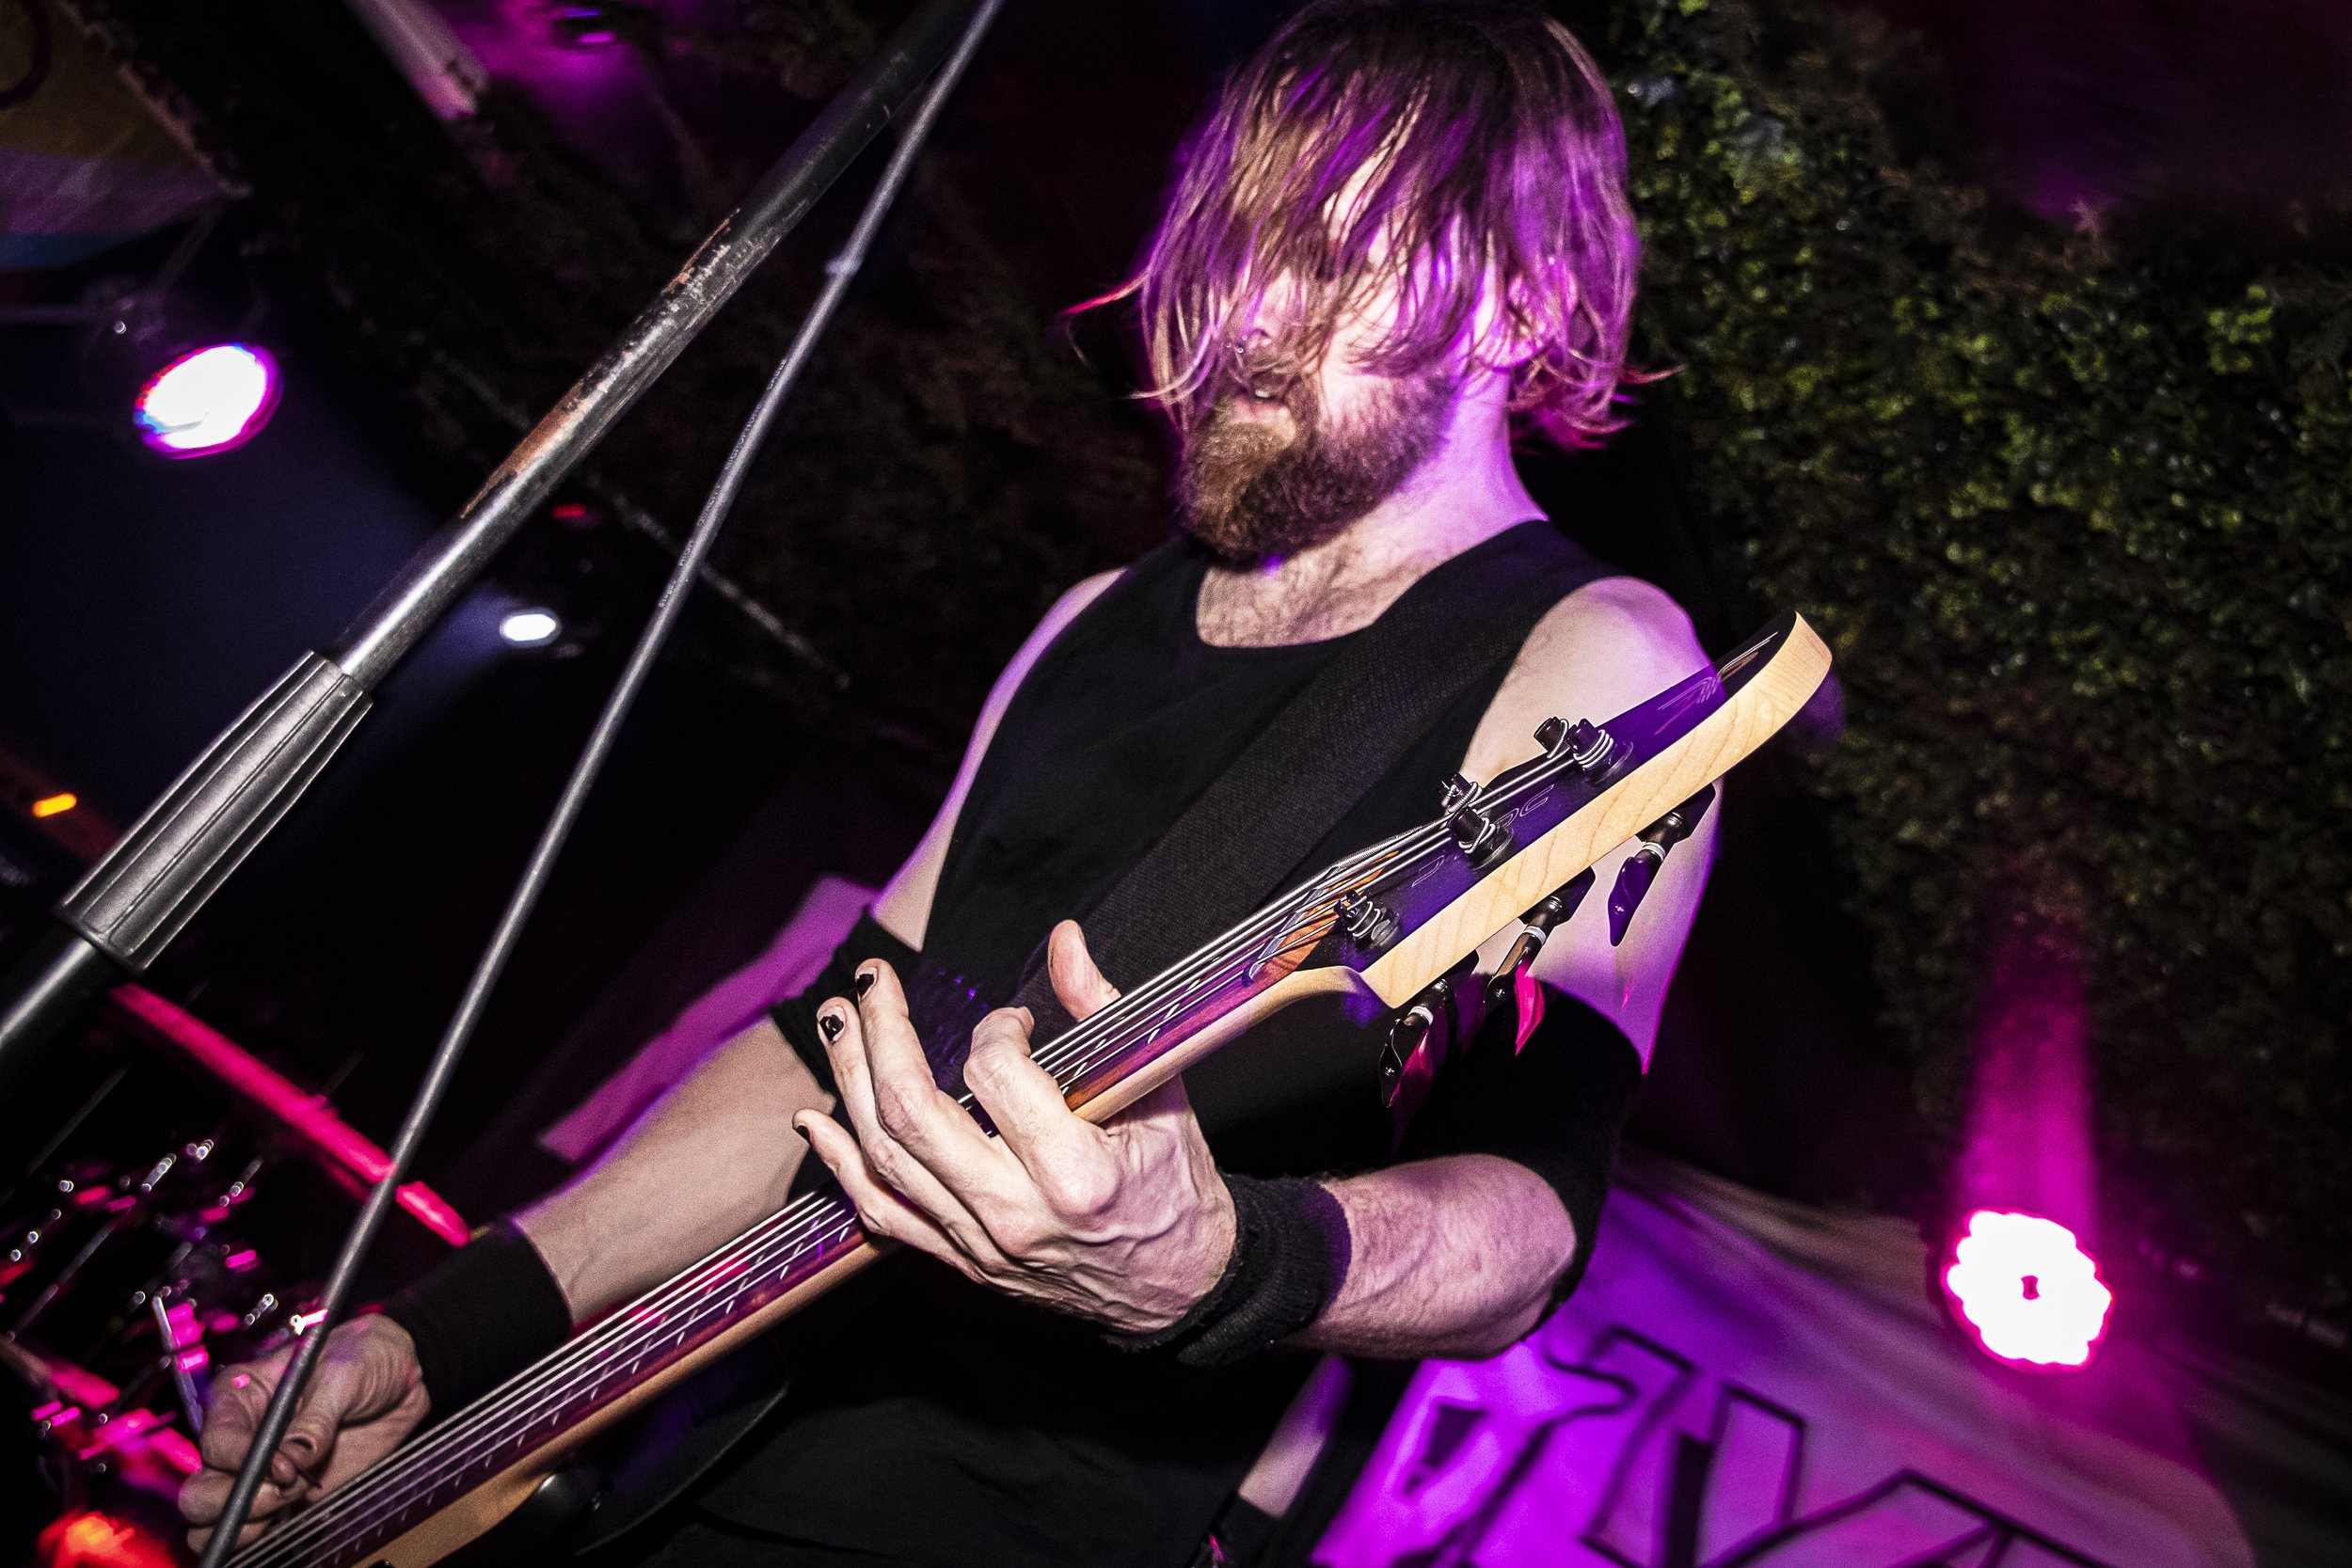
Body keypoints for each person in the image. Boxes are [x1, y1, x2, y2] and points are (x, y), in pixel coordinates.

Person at [182, 3, 1717, 1563]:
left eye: (1333, 251)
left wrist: (1213, 1255)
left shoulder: (1593, 653)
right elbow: (820, 1055)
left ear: (1525, 308)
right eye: (1237, 243)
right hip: (706, 1456)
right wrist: (440, 1340)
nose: (1249, 311)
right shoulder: (1089, 624)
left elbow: (1530, 1217)